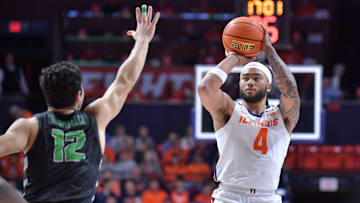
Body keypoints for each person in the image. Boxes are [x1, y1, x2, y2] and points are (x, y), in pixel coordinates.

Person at [0, 5, 160, 203]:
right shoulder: (96, 118)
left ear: (46, 95)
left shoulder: (30, 126)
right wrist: (143, 40)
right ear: (79, 95)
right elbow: (124, 82)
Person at [197, 24, 300, 203]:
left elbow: (291, 90)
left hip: (267, 197)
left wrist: (269, 51)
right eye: (245, 78)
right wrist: (235, 58)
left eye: (256, 78)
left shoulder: (282, 117)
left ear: (269, 86)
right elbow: (205, 88)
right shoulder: (230, 111)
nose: (250, 82)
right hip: (229, 195)